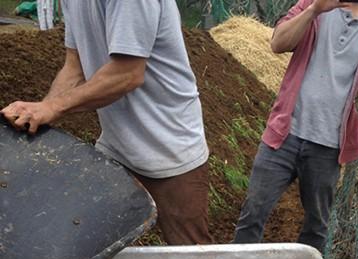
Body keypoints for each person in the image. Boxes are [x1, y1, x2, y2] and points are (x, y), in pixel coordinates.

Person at [1, 0, 212, 246]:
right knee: (85, 243)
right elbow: (74, 67)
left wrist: (51, 108)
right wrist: (38, 117)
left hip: (169, 148)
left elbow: (128, 73)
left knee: (191, 258)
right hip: (115, 146)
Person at [234, 0, 358, 254]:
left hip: (328, 147)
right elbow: (278, 43)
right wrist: (314, 11)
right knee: (252, 213)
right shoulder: (316, 4)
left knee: (316, 226)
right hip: (283, 135)